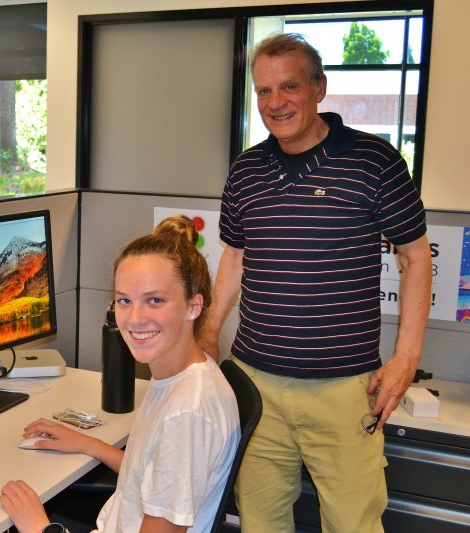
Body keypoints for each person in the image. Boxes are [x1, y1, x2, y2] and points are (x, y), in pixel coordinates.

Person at [200, 33, 433, 533]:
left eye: (288, 87)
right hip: (255, 380)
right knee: (260, 522)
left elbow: (416, 258)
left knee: (353, 524)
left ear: (319, 88)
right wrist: (208, 331)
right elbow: (235, 256)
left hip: (345, 391)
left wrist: (406, 358)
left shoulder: (374, 162)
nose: (275, 102)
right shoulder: (245, 171)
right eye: (263, 91)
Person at [0, 215, 240, 533]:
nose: (135, 318)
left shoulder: (187, 413)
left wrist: (40, 528)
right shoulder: (182, 376)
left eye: (155, 300)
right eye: (125, 300)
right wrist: (89, 444)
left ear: (193, 306)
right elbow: (154, 475)